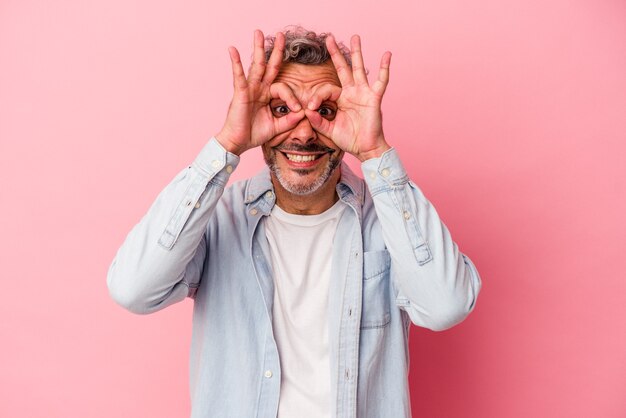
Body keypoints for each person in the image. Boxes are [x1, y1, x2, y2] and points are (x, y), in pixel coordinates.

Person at [107, 26, 481, 418]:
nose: (303, 133)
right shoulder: (217, 219)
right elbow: (133, 288)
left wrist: (374, 152)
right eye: (282, 110)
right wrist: (226, 145)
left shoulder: (389, 222)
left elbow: (446, 305)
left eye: (327, 112)